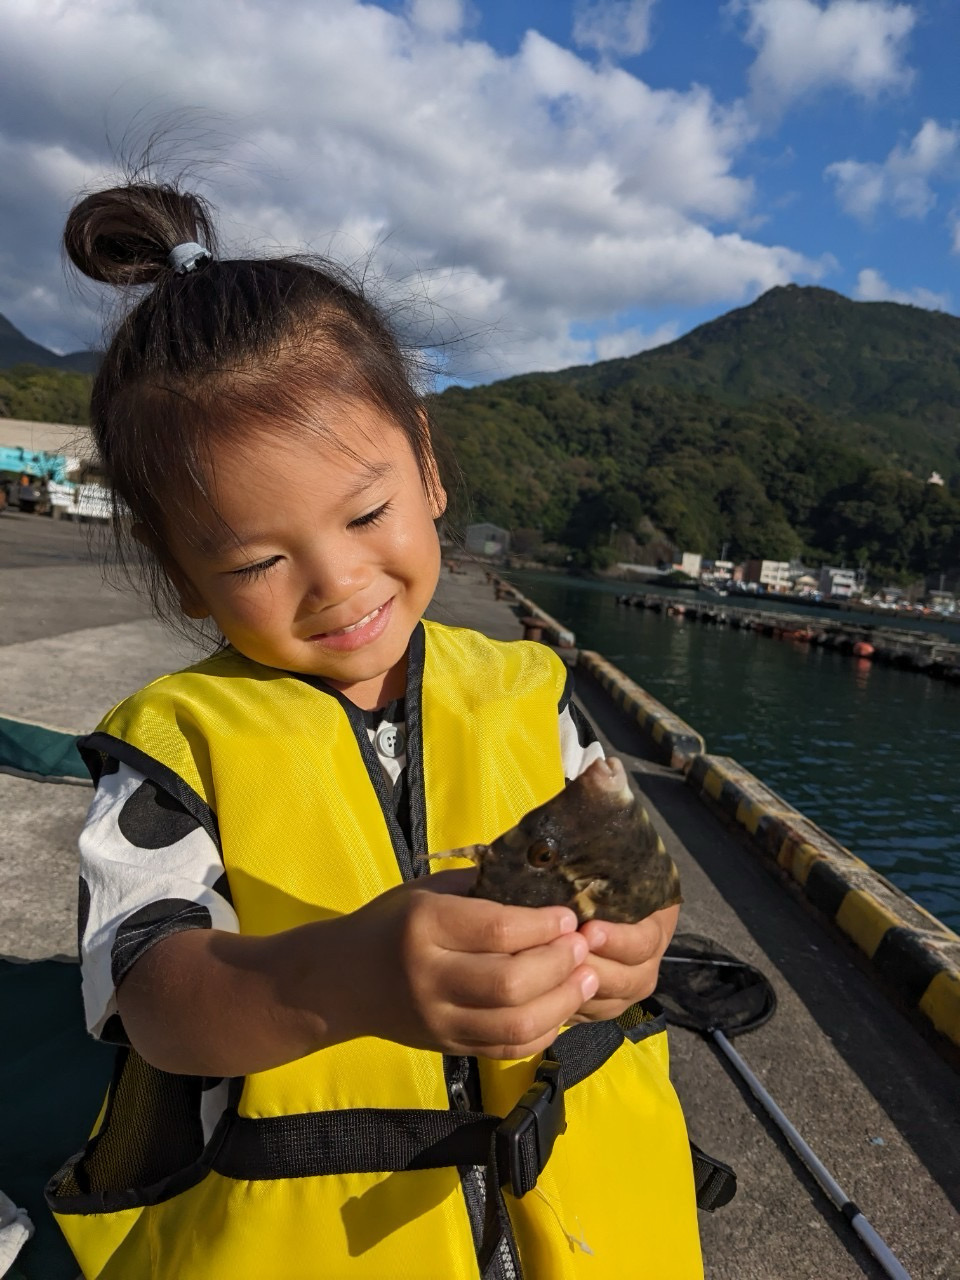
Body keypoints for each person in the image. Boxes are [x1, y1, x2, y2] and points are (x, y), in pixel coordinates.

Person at [47, 181, 703, 1280]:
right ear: (184, 575)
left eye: (366, 513)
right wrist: (336, 980)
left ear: (428, 467)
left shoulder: (527, 688)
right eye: (259, 560)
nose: (338, 581)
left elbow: (638, 879)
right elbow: (147, 990)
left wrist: (638, 948)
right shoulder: (174, 744)